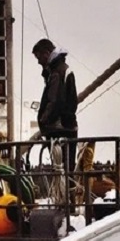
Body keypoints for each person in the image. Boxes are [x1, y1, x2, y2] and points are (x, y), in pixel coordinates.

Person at [32, 38, 78, 174]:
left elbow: (55, 101)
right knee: (65, 169)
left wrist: (44, 120)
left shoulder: (57, 72)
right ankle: (68, 194)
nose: (38, 61)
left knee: (62, 169)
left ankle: (65, 194)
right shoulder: (61, 70)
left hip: (59, 128)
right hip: (67, 126)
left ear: (46, 53)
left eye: (39, 57)